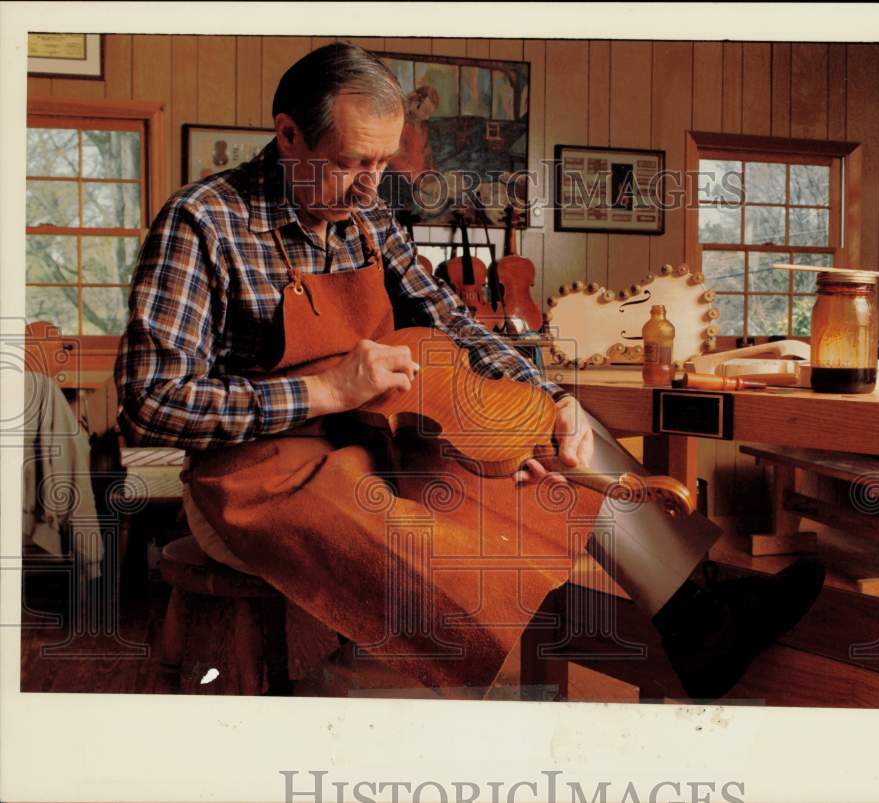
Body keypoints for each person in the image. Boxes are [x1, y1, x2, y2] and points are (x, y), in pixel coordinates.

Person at [115, 43, 824, 700]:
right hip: (251, 479)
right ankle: (337, 708)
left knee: (554, 455)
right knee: (434, 552)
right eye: (353, 163)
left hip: (368, 441)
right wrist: (322, 389)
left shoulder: (366, 217)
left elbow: (448, 317)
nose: (371, 185)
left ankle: (696, 616)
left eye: (383, 164)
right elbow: (150, 404)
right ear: (289, 134)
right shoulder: (204, 221)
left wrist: (550, 399)